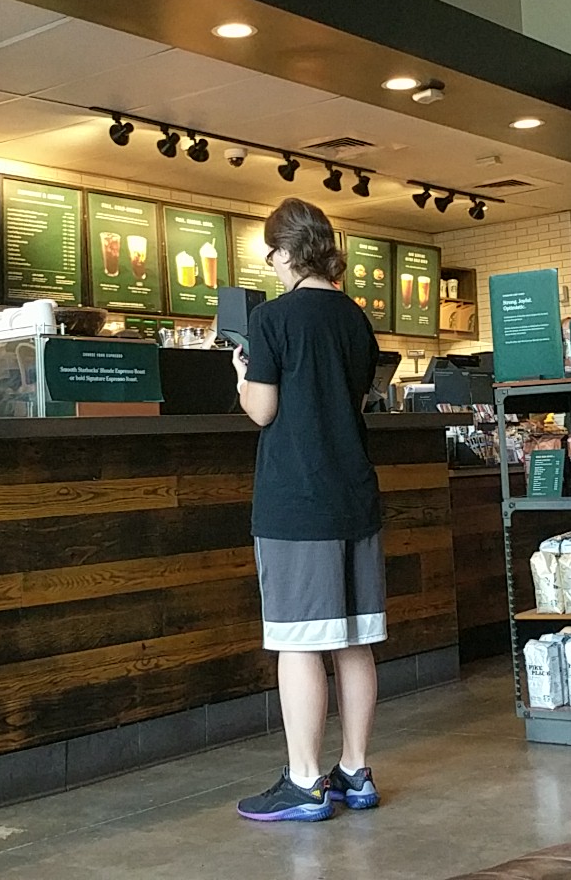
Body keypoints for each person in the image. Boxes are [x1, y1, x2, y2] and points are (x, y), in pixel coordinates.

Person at [230, 198, 384, 823]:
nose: (271, 263)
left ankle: (304, 781)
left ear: (289, 251)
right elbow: (354, 400)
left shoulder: (271, 318)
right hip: (355, 495)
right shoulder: (355, 318)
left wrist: (242, 376)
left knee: (298, 642)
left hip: (297, 501)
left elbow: (263, 410)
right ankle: (355, 771)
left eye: (272, 252)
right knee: (355, 639)